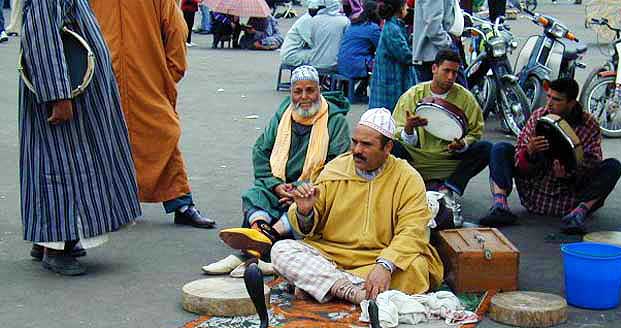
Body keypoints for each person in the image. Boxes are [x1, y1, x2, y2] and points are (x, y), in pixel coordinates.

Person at [268, 108, 444, 305]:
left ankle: (324, 287)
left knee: (416, 268)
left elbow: (413, 230)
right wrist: (305, 211)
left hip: (379, 258)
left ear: (388, 148)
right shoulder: (335, 170)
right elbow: (308, 228)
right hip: (331, 255)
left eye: (366, 144)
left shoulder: (407, 178)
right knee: (282, 250)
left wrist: (385, 265)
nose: (357, 150)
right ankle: (355, 293)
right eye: (355, 142)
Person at [20, 0, 141, 275]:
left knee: (70, 163)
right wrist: (58, 95)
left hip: (76, 90)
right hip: (66, 93)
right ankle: (55, 248)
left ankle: (55, 238)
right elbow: (42, 36)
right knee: (62, 166)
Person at [206, 66, 351, 276]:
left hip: (313, 188)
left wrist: (300, 189)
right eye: (297, 91)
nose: (304, 97)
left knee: (310, 204)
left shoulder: (335, 121)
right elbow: (261, 151)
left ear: (319, 91)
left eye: (310, 90)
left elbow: (336, 165)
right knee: (256, 194)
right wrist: (275, 185)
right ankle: (258, 239)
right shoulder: (283, 115)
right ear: (291, 93)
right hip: (279, 184)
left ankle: (250, 250)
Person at [90, 0, 216, 229]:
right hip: (106, 80)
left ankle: (181, 203)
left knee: (164, 136)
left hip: (144, 79)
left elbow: (176, 29)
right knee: (108, 142)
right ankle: (118, 206)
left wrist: (170, 74)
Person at [480, 78, 621, 234]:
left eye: (557, 100)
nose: (549, 103)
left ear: (571, 103)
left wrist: (568, 174)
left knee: (613, 167)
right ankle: (500, 206)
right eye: (548, 97)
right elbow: (519, 162)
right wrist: (529, 151)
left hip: (571, 199)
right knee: (500, 148)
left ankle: (578, 214)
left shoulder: (588, 124)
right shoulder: (539, 116)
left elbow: (592, 164)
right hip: (534, 193)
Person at [391, 49, 491, 226]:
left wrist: (462, 145)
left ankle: (449, 188)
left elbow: (475, 132)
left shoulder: (465, 98)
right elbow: (396, 130)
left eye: (455, 72)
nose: (451, 77)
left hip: (449, 160)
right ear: (434, 68)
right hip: (417, 160)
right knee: (392, 146)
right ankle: (412, 188)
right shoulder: (413, 95)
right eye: (447, 71)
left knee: (486, 148)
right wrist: (409, 129)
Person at [368, 0, 416, 112]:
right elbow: (405, 56)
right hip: (390, 79)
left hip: (392, 75)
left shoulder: (394, 25)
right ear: (399, 9)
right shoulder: (392, 29)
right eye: (405, 6)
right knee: (389, 113)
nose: (407, 8)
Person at [337, 1, 381, 83]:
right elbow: (381, 47)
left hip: (342, 66)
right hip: (356, 67)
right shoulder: (372, 28)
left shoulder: (353, 25)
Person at [412, 0, 455, 82]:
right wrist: (448, 44)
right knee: (458, 92)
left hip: (435, 53)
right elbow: (433, 27)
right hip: (435, 54)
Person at [308, 0, 350, 70]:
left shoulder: (314, 20)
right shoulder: (344, 21)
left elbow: (312, 41)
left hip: (314, 62)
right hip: (334, 64)